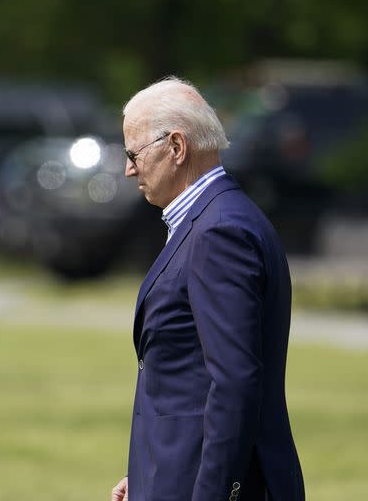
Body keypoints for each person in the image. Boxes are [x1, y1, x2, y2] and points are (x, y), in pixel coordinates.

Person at [111, 77, 305, 501]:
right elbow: (186, 379)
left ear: (176, 148)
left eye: (133, 153)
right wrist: (146, 476)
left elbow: (234, 382)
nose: (129, 169)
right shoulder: (210, 220)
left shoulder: (219, 232)